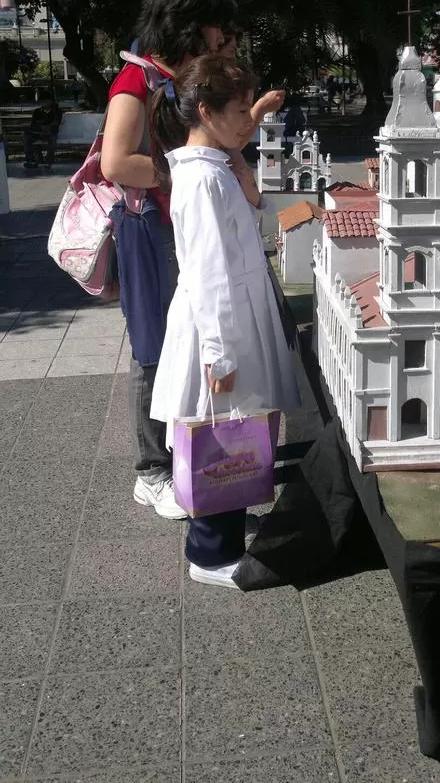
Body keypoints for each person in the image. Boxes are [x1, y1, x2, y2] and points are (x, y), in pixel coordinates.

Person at [100, 0, 285, 519]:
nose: (219, 38)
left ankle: (186, 455)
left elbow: (219, 139)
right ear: (186, 22)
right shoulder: (136, 82)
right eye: (213, 28)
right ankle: (152, 469)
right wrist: (186, 172)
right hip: (150, 227)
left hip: (177, 217)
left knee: (183, 345)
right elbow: (116, 163)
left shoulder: (179, 77)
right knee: (154, 346)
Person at [148, 54, 299, 586]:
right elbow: (209, 270)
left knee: (235, 427)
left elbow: (240, 237)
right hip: (221, 321)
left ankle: (222, 532)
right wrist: (220, 351)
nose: (247, 120)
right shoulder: (201, 179)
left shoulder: (214, 169)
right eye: (239, 110)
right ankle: (210, 554)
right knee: (220, 429)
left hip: (233, 314)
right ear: (207, 112)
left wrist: (251, 189)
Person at [23, 90, 62, 170]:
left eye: (46, 101)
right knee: (27, 138)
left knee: (52, 139)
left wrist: (48, 126)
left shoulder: (56, 111)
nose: (44, 103)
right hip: (38, 132)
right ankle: (31, 160)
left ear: (50, 101)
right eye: (42, 102)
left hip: (50, 132)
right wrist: (40, 127)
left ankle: (49, 161)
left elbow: (56, 122)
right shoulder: (37, 112)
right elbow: (33, 124)